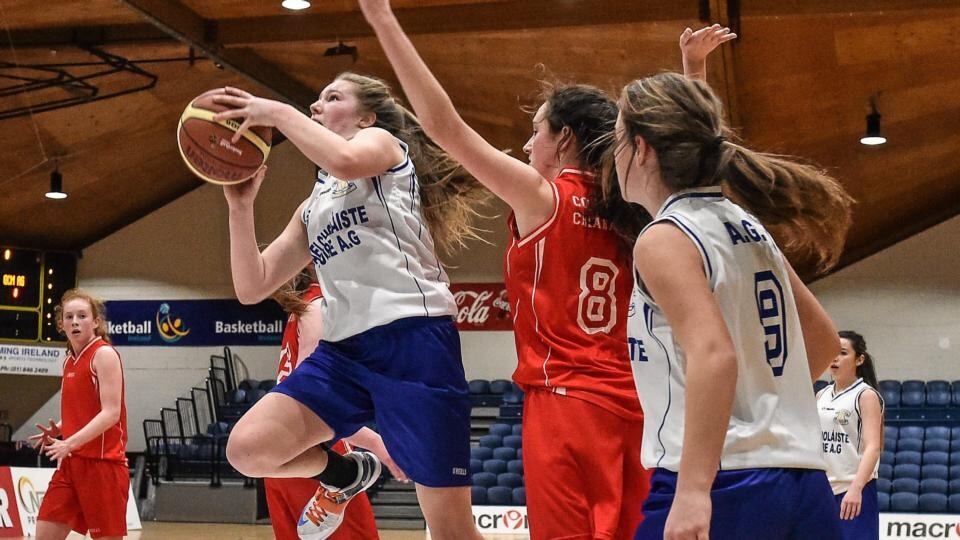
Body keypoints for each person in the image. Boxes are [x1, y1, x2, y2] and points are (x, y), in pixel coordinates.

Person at [358, 2, 734, 538]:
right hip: (640, 407)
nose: (528, 143)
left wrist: (382, 19)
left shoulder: (545, 198)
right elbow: (689, 164)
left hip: (565, 405)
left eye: (535, 130)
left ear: (564, 139)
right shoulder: (634, 208)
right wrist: (692, 72)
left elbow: (444, 126)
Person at [210, 70, 487, 540]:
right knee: (248, 449)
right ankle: (344, 475)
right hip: (344, 356)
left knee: (450, 530)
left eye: (331, 97)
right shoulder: (313, 205)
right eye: (315, 101)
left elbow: (341, 160)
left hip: (413, 341)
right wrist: (240, 208)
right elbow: (252, 286)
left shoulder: (383, 147)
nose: (316, 107)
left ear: (367, 116)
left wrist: (275, 110)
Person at [613, 71, 855, 539]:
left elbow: (714, 355)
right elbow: (824, 340)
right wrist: (762, 397)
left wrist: (692, 491)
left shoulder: (665, 237)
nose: (614, 154)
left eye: (619, 140)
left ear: (641, 149)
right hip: (802, 481)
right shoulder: (748, 226)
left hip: (725, 480)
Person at [265, 268, 408, 540]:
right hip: (317, 459)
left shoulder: (304, 308)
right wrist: (379, 445)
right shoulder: (319, 308)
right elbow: (315, 404)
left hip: (282, 455)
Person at [30, 289, 129, 540]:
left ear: (95, 322)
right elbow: (86, 409)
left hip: (103, 465)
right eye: (69, 316)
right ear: (61, 324)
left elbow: (111, 413)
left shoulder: (103, 355)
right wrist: (62, 428)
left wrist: (69, 443)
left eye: (82, 316)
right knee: (44, 534)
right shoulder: (68, 361)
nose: (75, 321)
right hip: (72, 464)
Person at [816, 331, 883, 540]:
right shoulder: (821, 395)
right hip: (823, 491)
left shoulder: (866, 395)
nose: (835, 357)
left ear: (859, 359)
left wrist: (856, 488)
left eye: (842, 353)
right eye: (832, 352)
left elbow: (873, 447)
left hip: (853, 489)